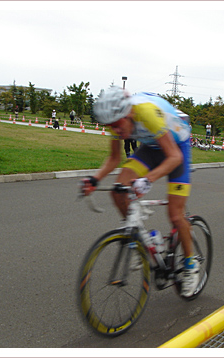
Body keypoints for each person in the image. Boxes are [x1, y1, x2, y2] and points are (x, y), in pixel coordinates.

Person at [80, 86, 198, 297]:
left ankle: (191, 265)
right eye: (110, 127)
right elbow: (115, 158)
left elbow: (174, 157)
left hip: (176, 149)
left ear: (129, 113)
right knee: (118, 190)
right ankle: (138, 243)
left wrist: (148, 179)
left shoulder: (146, 113)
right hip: (151, 148)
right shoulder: (117, 119)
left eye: (117, 125)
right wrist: (95, 179)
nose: (115, 131)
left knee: (175, 215)